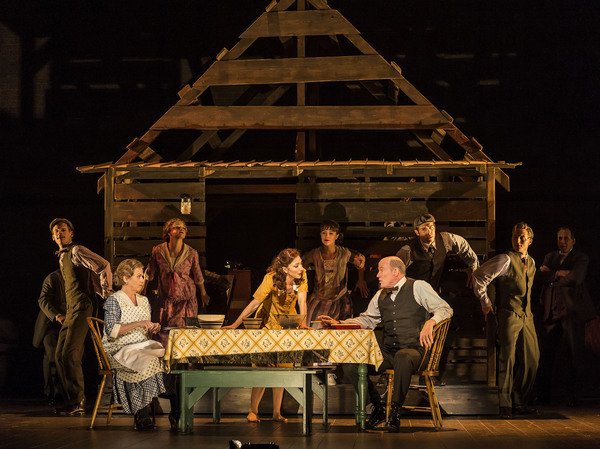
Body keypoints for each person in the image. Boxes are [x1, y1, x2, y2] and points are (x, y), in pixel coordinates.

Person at [319, 256, 453, 432]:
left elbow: (446, 309)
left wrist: (431, 322)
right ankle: (378, 408)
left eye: (381, 270)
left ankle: (395, 413)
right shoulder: (380, 294)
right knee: (351, 364)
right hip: (389, 352)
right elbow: (368, 319)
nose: (377, 275)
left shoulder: (418, 286)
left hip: (415, 351)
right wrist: (339, 323)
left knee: (403, 356)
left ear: (395, 272)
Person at [224, 248, 308, 423]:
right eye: (297, 265)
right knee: (262, 367)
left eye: (300, 264)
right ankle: (252, 410)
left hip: (287, 325)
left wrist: (302, 324)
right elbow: (255, 303)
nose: (301, 268)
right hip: (267, 325)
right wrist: (235, 324)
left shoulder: (302, 276)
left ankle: (276, 413)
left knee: (283, 367)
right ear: (285, 269)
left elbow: (302, 301)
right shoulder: (270, 279)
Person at [472, 222, 539, 419]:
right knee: (507, 359)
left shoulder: (532, 262)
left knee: (532, 360)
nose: (518, 240)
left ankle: (518, 399)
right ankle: (505, 404)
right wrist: (486, 302)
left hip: (527, 315)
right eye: (515, 236)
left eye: (522, 237)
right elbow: (479, 276)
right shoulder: (505, 259)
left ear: (530, 241)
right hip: (509, 313)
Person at [50, 218, 113, 415]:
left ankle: (79, 401)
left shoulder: (76, 251)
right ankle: (71, 399)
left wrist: (107, 295)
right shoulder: (62, 257)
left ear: (71, 233)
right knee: (59, 354)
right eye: (56, 232)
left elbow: (103, 266)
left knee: (70, 352)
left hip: (83, 307)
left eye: (63, 230)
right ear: (53, 237)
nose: (60, 233)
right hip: (72, 309)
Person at [102, 259, 173, 430]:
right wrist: (140, 323)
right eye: (139, 276)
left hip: (140, 345)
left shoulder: (144, 301)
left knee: (164, 356)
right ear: (126, 278)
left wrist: (152, 327)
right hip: (118, 348)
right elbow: (111, 330)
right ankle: (142, 416)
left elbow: (145, 331)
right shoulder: (115, 300)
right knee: (145, 358)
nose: (143, 280)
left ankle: (173, 411)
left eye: (143, 276)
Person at [536, 226, 596, 406]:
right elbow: (540, 277)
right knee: (546, 355)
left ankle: (575, 397)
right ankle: (543, 397)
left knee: (575, 355)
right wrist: (557, 273)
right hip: (551, 312)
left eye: (565, 238)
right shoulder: (550, 256)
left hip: (571, 312)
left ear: (573, 240)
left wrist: (551, 275)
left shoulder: (580, 257)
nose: (562, 241)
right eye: (559, 238)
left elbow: (576, 278)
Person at [144, 218, 209, 346]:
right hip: (165, 301)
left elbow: (198, 275)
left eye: (183, 228)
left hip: (185, 302)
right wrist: (143, 289)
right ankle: (163, 363)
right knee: (162, 336)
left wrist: (203, 293)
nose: (181, 230)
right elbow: (149, 272)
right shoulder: (158, 251)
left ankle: (185, 364)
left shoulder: (191, 253)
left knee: (184, 337)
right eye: (177, 227)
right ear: (169, 232)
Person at [302, 220, 368, 327]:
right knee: (314, 330)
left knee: (340, 331)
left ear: (337, 236)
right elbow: (301, 265)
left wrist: (361, 280)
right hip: (319, 300)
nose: (327, 236)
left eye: (331, 233)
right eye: (324, 233)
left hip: (339, 300)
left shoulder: (344, 253)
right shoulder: (315, 253)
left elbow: (360, 261)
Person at [396, 214, 479, 291]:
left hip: (436, 290)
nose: (429, 232)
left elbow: (463, 245)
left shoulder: (445, 239)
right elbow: (393, 271)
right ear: (417, 232)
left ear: (435, 227)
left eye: (431, 227)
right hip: (415, 293)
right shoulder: (408, 250)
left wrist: (473, 267)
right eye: (423, 229)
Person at [32, 270, 66, 406]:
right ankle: (51, 392)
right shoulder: (53, 277)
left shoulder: (78, 277)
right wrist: (57, 316)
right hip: (51, 323)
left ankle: (63, 392)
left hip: (68, 324)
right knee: (51, 354)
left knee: (66, 356)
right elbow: (43, 300)